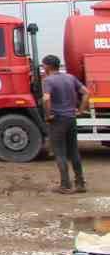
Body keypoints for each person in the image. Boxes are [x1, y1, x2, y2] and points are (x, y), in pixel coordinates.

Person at [41, 54, 89, 195]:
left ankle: (65, 185)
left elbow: (46, 98)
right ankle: (80, 183)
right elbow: (86, 93)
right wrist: (80, 110)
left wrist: (48, 115)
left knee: (60, 152)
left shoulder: (48, 80)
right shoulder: (70, 77)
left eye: (44, 65)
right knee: (74, 151)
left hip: (58, 120)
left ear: (48, 66)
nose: (43, 68)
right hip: (71, 118)